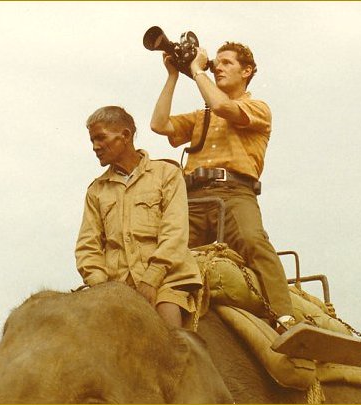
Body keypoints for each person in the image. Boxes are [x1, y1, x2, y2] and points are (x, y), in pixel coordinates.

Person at [150, 42, 295, 332]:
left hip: (234, 194)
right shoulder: (201, 116)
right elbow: (159, 124)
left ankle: (284, 318)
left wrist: (196, 70)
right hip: (191, 198)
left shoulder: (257, 108)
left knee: (254, 243)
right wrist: (173, 75)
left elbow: (222, 106)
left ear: (247, 71)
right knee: (161, 253)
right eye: (217, 63)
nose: (218, 68)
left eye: (227, 63)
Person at [75, 105, 202, 328]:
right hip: (117, 287)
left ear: (125, 135)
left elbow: (175, 231)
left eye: (101, 138)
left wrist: (152, 278)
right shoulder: (96, 190)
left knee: (169, 332)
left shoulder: (166, 174)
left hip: (166, 281)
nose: (95, 147)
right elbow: (88, 247)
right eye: (92, 140)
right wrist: (102, 288)